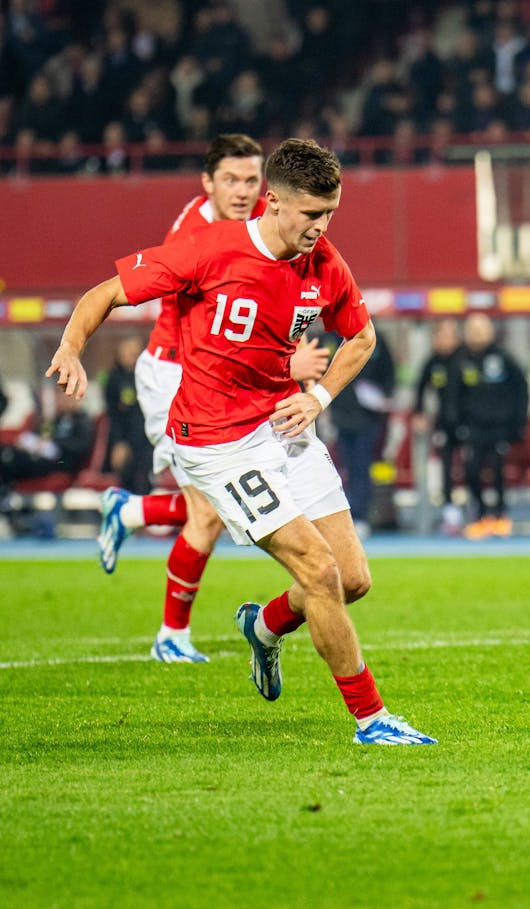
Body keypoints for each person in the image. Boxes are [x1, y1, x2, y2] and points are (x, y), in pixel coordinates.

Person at [48, 138, 435, 745]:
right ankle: (372, 718)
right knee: (318, 568)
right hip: (217, 441)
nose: (321, 227)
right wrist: (71, 347)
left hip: (283, 424)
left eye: (330, 213)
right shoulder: (207, 250)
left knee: (353, 579)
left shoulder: (325, 262)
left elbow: (361, 339)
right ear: (273, 202)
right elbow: (106, 293)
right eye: (311, 214)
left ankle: (265, 628)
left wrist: (320, 397)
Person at [94, 134, 329, 665]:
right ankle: (170, 634)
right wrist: (287, 365)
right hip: (177, 373)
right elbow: (221, 330)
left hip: (210, 376)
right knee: (206, 514)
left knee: (215, 509)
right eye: (231, 180)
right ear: (208, 183)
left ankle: (132, 511)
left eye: (252, 180)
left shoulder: (242, 228)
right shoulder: (202, 233)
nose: (244, 191)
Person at [456, 313, 529, 540]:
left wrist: (517, 423)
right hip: (472, 427)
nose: (477, 334)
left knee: (498, 471)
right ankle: (479, 516)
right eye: (473, 330)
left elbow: (521, 391)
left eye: (481, 329)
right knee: (472, 470)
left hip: (499, 427)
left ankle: (500, 517)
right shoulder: (460, 360)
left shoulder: (504, 358)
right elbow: (452, 396)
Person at [327, 329, 395, 538]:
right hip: (339, 414)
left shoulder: (374, 337)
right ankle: (343, 516)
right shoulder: (329, 339)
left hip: (367, 417)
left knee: (362, 466)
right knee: (340, 469)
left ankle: (361, 516)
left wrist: (384, 397)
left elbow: (388, 372)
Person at [412, 320, 465, 534]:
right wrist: (419, 413)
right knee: (445, 467)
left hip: (468, 422)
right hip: (444, 422)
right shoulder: (433, 362)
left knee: (472, 466)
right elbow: (420, 389)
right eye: (441, 336)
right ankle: (450, 511)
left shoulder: (466, 359)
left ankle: (478, 511)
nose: (444, 340)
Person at [0, 387, 94, 486]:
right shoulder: (57, 419)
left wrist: (53, 443)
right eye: (61, 396)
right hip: (47, 457)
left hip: (62, 462)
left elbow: (80, 446)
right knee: (10, 453)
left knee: (16, 459)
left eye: (68, 397)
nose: (62, 399)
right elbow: (43, 434)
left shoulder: (82, 421)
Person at [103, 337, 153, 494]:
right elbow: (113, 415)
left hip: (147, 440)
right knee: (127, 479)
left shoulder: (148, 377)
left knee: (145, 480)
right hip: (126, 440)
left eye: (134, 353)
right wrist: (118, 442)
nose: (130, 357)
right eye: (127, 353)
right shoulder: (115, 379)